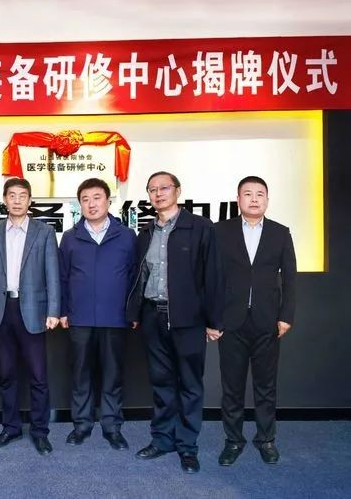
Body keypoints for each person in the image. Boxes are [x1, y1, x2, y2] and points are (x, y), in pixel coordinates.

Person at [126, 171, 223, 474]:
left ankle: (187, 446)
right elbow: (138, 276)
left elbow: (214, 276)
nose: (158, 194)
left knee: (190, 384)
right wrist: (135, 313)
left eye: (164, 188)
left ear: (178, 191)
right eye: (152, 190)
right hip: (153, 316)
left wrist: (214, 321)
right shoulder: (146, 232)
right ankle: (162, 439)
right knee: (161, 382)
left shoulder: (200, 227)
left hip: (188, 318)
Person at [0, 177, 61, 456]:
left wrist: (53, 310)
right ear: (4, 200)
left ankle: (40, 431)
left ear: (30, 200)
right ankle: (10, 427)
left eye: (22, 195)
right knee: (7, 374)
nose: (16, 200)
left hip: (34, 310)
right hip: (1, 310)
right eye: (11, 195)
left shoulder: (44, 232)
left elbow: (53, 274)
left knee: (38, 376)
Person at [215, 176, 296, 466]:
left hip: (267, 322)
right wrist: (212, 318)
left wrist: (286, 316)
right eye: (247, 194)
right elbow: (211, 277)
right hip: (230, 322)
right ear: (238, 199)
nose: (253, 199)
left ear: (267, 200)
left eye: (259, 194)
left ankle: (266, 440)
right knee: (232, 387)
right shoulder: (220, 231)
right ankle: (233, 441)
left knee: (266, 386)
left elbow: (290, 278)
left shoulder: (280, 233)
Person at [58, 178, 136, 449]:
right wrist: (63, 311)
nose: (91, 204)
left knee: (113, 374)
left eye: (97, 197)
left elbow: (134, 276)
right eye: (85, 199)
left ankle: (112, 426)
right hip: (79, 317)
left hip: (115, 318)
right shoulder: (70, 237)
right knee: (80, 374)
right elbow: (62, 277)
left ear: (108, 201)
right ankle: (81, 424)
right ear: (80, 205)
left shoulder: (126, 236)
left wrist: (133, 312)